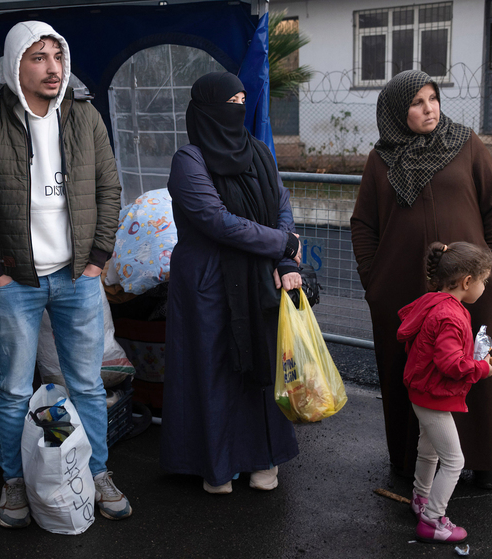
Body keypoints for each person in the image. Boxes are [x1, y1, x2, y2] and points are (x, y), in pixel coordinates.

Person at [0, 21, 131, 528]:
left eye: (57, 57)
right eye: (38, 57)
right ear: (15, 64)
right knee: (11, 388)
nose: (52, 68)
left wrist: (97, 258)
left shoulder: (85, 117)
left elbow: (109, 190)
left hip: (77, 276)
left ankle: (96, 473)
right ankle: (14, 484)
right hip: (15, 280)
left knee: (88, 385)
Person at [350, 70, 492, 488]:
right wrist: (375, 282)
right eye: (418, 102)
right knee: (412, 373)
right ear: (396, 111)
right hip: (403, 294)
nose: (430, 108)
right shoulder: (381, 158)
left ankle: (480, 461)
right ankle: (410, 462)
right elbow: (363, 224)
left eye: (433, 98)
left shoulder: (466, 144)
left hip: (472, 291)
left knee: (471, 367)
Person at [160, 72, 303, 493]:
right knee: (214, 372)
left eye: (243, 99)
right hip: (207, 283)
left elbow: (282, 205)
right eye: (230, 101)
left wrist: (283, 252)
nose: (238, 108)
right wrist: (282, 242)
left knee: (258, 368)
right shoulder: (189, 160)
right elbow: (216, 221)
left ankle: (263, 459)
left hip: (257, 279)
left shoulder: (258, 152)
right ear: (206, 110)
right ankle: (216, 466)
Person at [398, 241, 492, 543]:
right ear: (467, 282)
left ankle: (420, 499)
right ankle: (432, 520)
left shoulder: (434, 302)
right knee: (454, 461)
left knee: (428, 451)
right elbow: (450, 364)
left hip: (421, 392)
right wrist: (482, 368)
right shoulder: (452, 316)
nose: (484, 286)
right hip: (434, 397)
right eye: (483, 281)